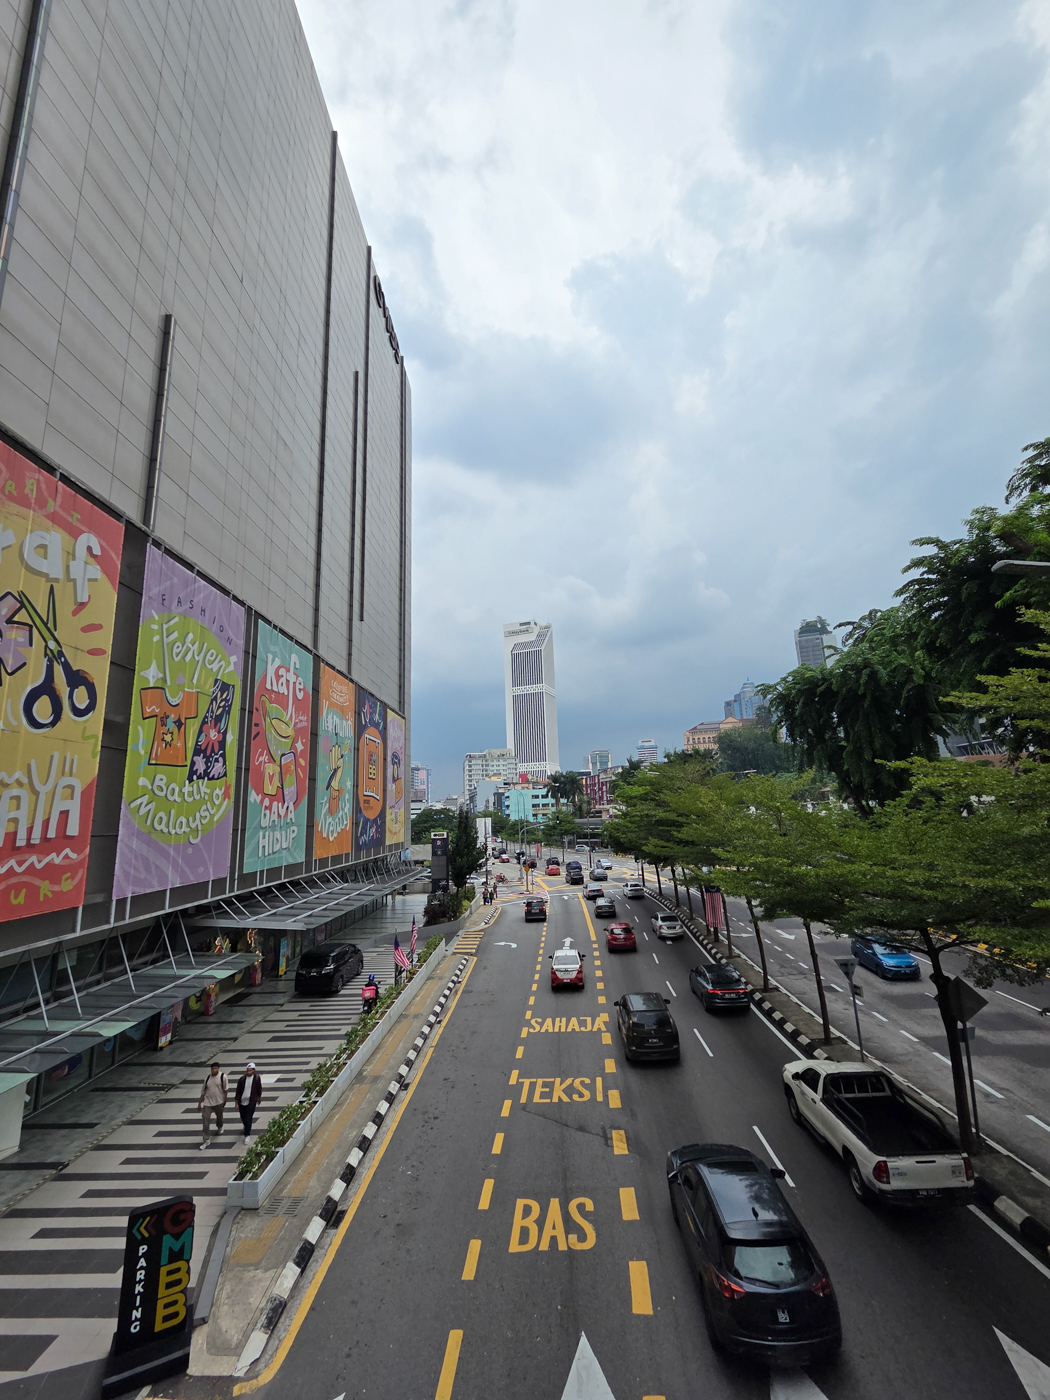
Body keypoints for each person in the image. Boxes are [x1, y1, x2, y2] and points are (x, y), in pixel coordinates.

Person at [198, 1061, 227, 1149]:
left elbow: (225, 1090)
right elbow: (203, 1091)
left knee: (219, 1117)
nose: (213, 1070)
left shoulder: (223, 1077)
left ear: (218, 1069)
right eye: (212, 1069)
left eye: (215, 1068)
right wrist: (200, 1103)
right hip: (208, 1102)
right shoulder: (207, 1078)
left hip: (219, 1101)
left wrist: (225, 1100)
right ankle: (206, 1139)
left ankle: (220, 1126)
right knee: (205, 1120)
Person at [235, 1061, 263, 1144]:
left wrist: (259, 1098)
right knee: (243, 1117)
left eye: (250, 1070)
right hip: (242, 1101)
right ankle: (246, 1126)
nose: (248, 1072)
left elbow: (259, 1089)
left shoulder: (256, 1079)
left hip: (251, 1102)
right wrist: (236, 1102)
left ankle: (247, 1134)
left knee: (248, 1117)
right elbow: (238, 1091)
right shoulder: (242, 1079)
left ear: (253, 1070)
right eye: (247, 1070)